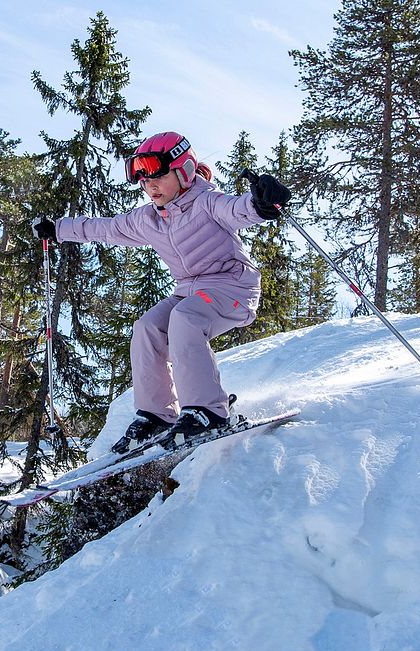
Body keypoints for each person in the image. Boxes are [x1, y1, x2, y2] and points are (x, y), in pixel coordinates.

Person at [32, 131, 290, 453]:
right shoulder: (149, 219)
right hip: (189, 292)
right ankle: (157, 415)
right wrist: (58, 229)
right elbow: (105, 228)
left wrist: (262, 203)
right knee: (147, 328)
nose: (150, 185)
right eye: (142, 178)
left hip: (232, 287)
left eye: (158, 175)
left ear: (183, 170)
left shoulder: (207, 201)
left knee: (185, 318)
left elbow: (238, 210)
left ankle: (209, 411)